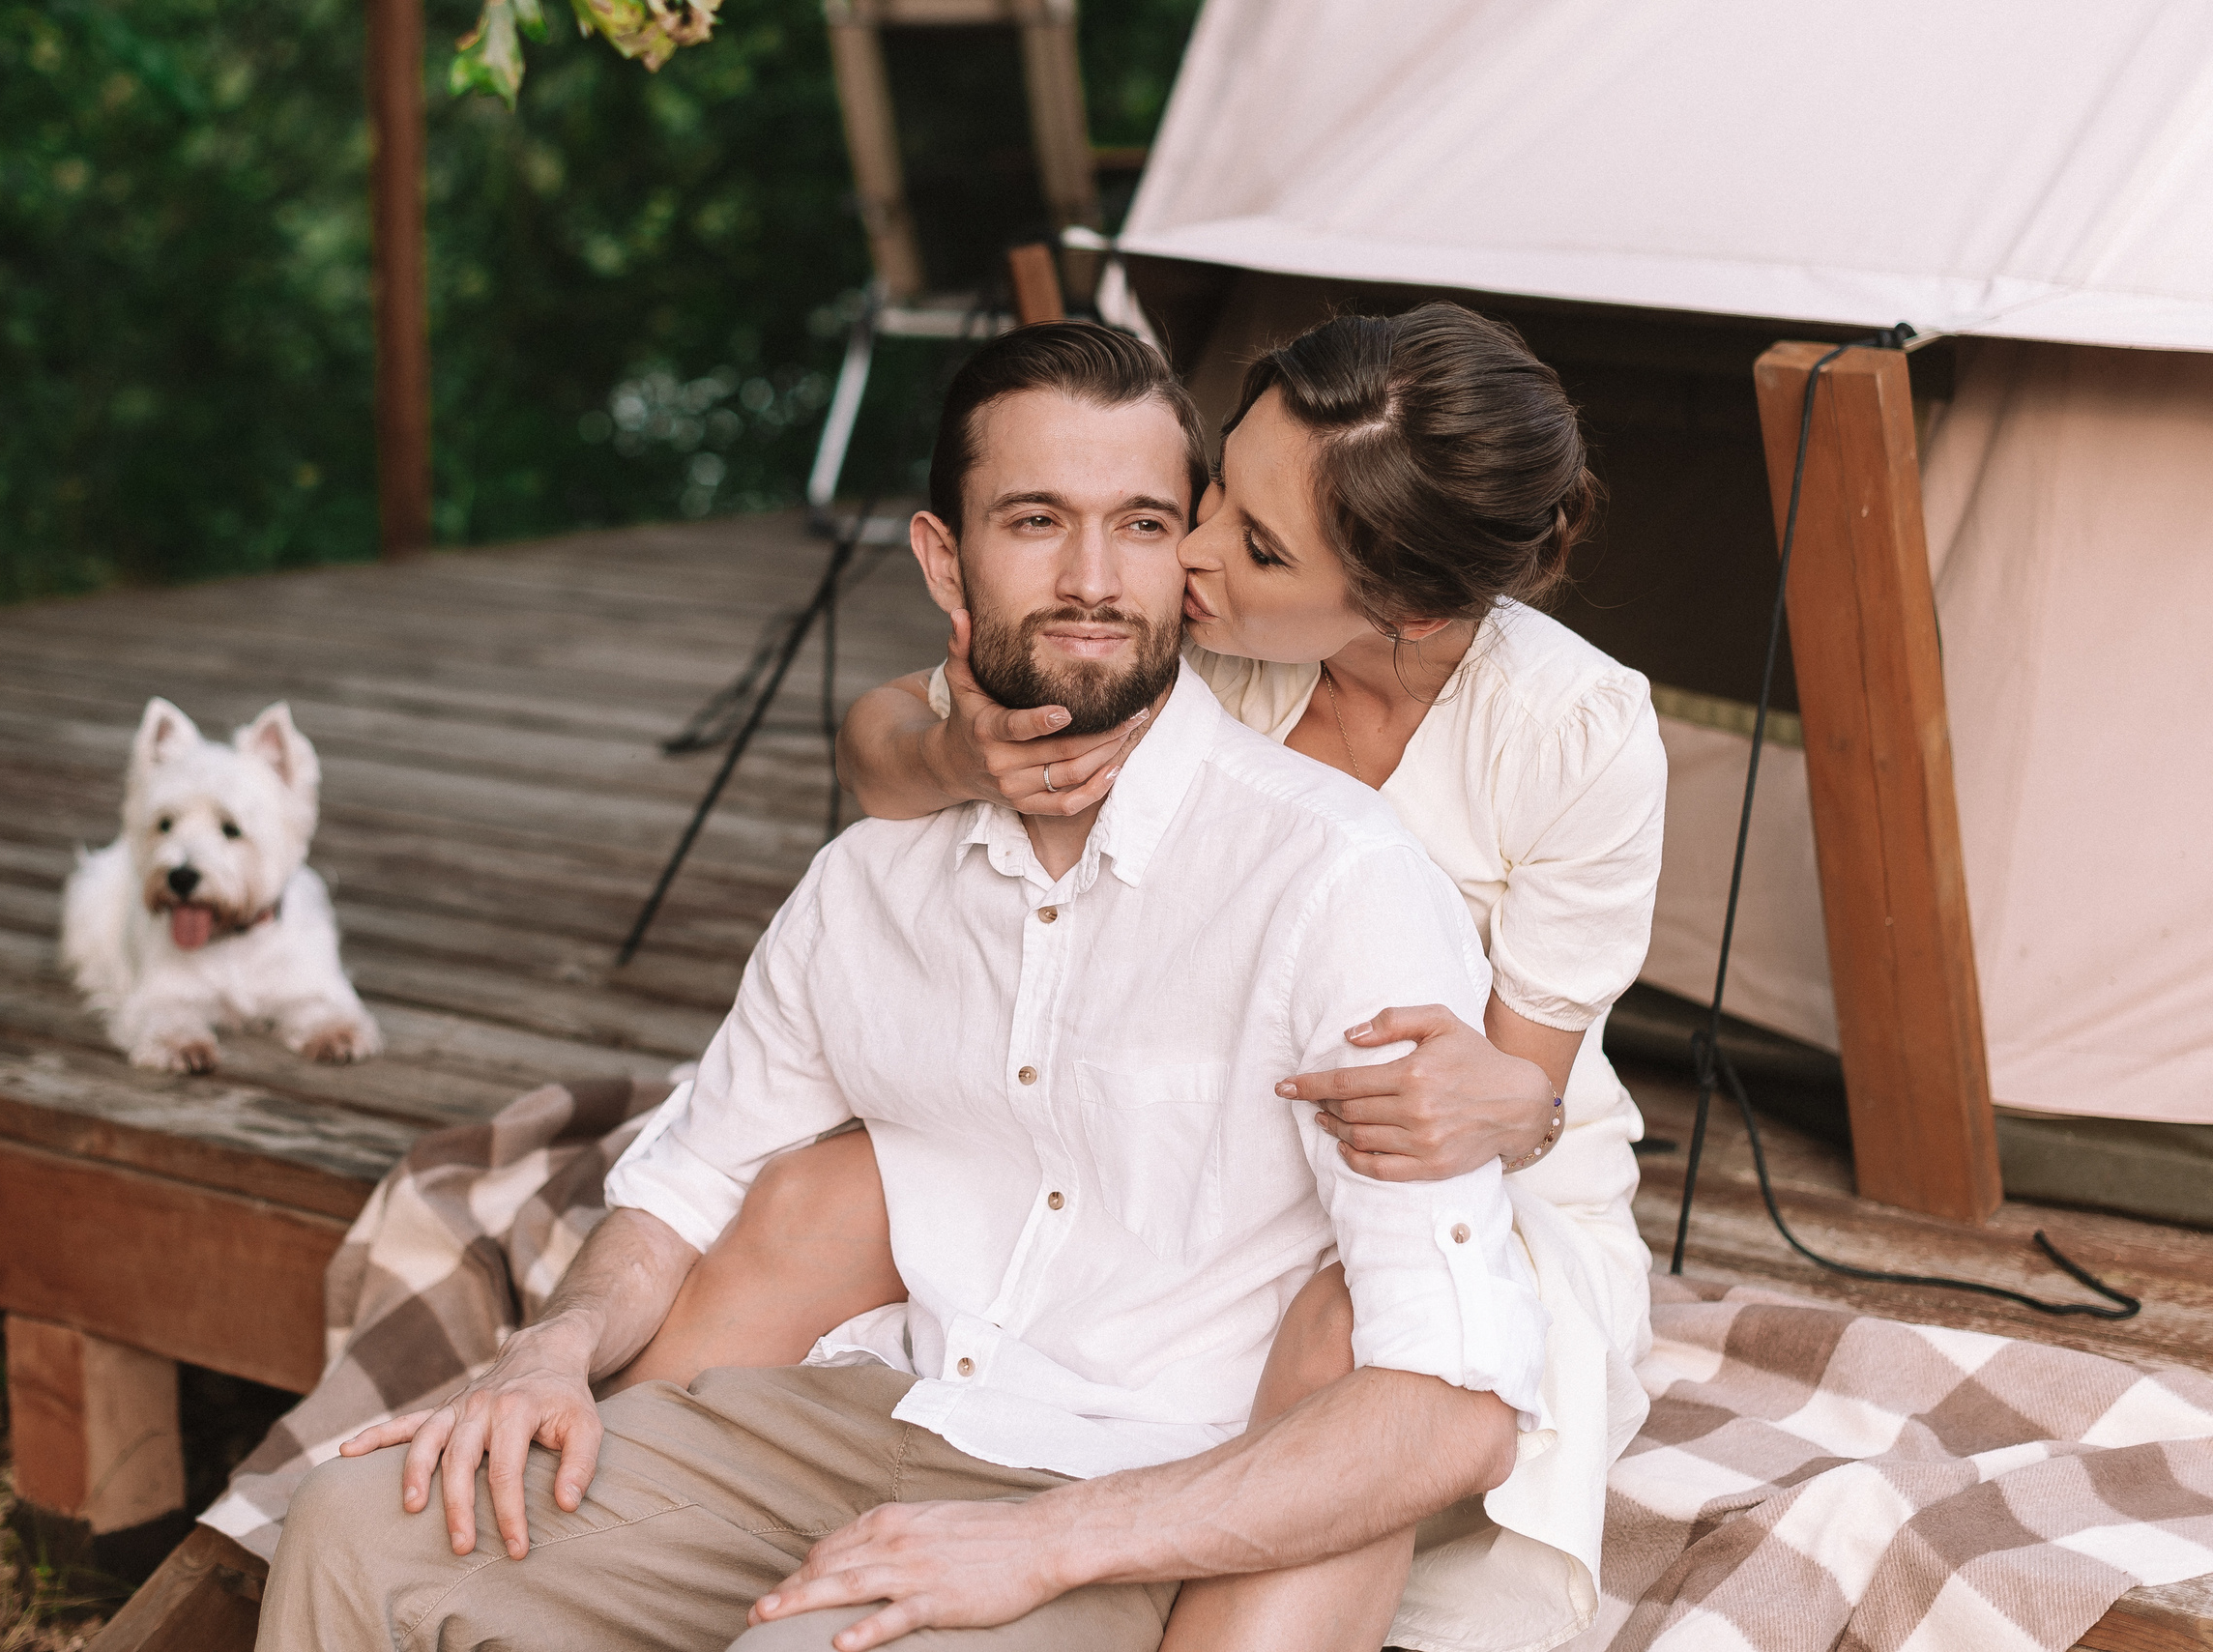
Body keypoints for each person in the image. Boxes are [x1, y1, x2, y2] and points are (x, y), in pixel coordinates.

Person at [255, 321, 1551, 1652]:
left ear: (1188, 555)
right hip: (865, 1410)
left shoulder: (1332, 879)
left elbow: (1455, 1401)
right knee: (356, 1524)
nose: (1096, 579)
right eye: (1038, 521)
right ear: (947, 559)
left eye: (1144, 524)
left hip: (1122, 1483)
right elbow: (679, 1188)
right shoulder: (868, 883)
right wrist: (552, 1344)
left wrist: (1049, 1539)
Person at [619, 304, 1668, 1652]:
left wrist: (1514, 1101)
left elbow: (1519, 1096)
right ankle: (604, 1497)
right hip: (1192, 1125)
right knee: (826, 1179)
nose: (1196, 553)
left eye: (1262, 545)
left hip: (1460, 1166)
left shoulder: (1574, 734)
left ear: (1403, 606)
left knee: (1354, 1329)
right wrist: (964, 760)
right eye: (1216, 490)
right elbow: (881, 738)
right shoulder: (1195, 638)